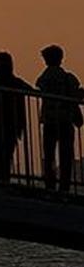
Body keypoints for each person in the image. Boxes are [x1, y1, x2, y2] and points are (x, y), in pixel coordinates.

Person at [0, 52, 32, 186]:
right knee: (5, 155)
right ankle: (3, 181)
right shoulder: (16, 82)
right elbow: (32, 90)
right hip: (9, 125)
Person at [36, 45, 82, 196]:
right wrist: (77, 116)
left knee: (49, 155)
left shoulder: (45, 78)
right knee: (66, 155)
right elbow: (73, 98)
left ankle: (50, 185)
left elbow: (39, 85)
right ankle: (64, 187)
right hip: (65, 121)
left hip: (50, 121)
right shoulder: (68, 78)